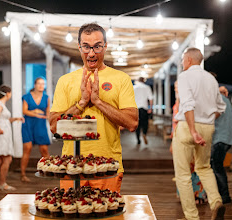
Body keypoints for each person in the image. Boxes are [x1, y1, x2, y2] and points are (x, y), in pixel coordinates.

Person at [49, 23, 138, 192]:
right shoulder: (65, 81)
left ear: (105, 46)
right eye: (86, 47)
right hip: (71, 166)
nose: (91, 53)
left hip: (108, 166)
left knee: (107, 216)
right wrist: (81, 103)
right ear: (79, 47)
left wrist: (98, 101)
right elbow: (54, 126)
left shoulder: (121, 79)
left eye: (97, 47)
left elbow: (132, 122)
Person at [173, 48, 226, 220]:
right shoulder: (211, 79)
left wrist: (193, 130)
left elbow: (188, 104)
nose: (182, 63)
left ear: (188, 59)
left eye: (182, 60)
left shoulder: (184, 76)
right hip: (208, 126)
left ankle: (192, 217)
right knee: (204, 167)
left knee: (183, 174)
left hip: (188, 127)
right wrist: (207, 120)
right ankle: (216, 202)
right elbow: (221, 108)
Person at [170, 81, 207, 204]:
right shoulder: (179, 101)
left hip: (187, 137)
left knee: (192, 167)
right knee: (185, 167)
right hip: (181, 137)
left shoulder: (186, 102)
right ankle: (189, 195)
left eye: (178, 87)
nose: (176, 89)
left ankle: (197, 195)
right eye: (175, 87)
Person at [0, 85, 24, 192]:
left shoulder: (1, 104)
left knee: (0, 159)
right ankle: (0, 183)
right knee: (6, 158)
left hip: (3, 132)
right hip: (1, 133)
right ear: (7, 94)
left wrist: (16, 119)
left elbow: (5, 119)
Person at [21, 77, 51, 182]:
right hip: (28, 124)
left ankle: (49, 171)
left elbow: (47, 112)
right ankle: (23, 174)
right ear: (35, 85)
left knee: (44, 150)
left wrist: (48, 117)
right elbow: (24, 111)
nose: (41, 86)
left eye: (43, 84)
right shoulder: (26, 97)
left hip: (40, 124)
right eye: (39, 83)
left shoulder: (46, 97)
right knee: (27, 148)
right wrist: (36, 112)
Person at [211, 86, 232, 204]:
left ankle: (224, 197)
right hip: (228, 137)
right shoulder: (225, 99)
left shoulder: (214, 98)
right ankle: (220, 195)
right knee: (217, 166)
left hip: (219, 138)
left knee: (217, 167)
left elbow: (210, 117)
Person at [133, 77, 153, 145]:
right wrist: (150, 108)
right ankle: (144, 133)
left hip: (136, 109)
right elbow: (150, 99)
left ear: (138, 81)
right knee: (145, 123)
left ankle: (138, 139)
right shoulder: (147, 87)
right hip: (144, 108)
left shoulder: (134, 87)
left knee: (137, 124)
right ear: (144, 81)